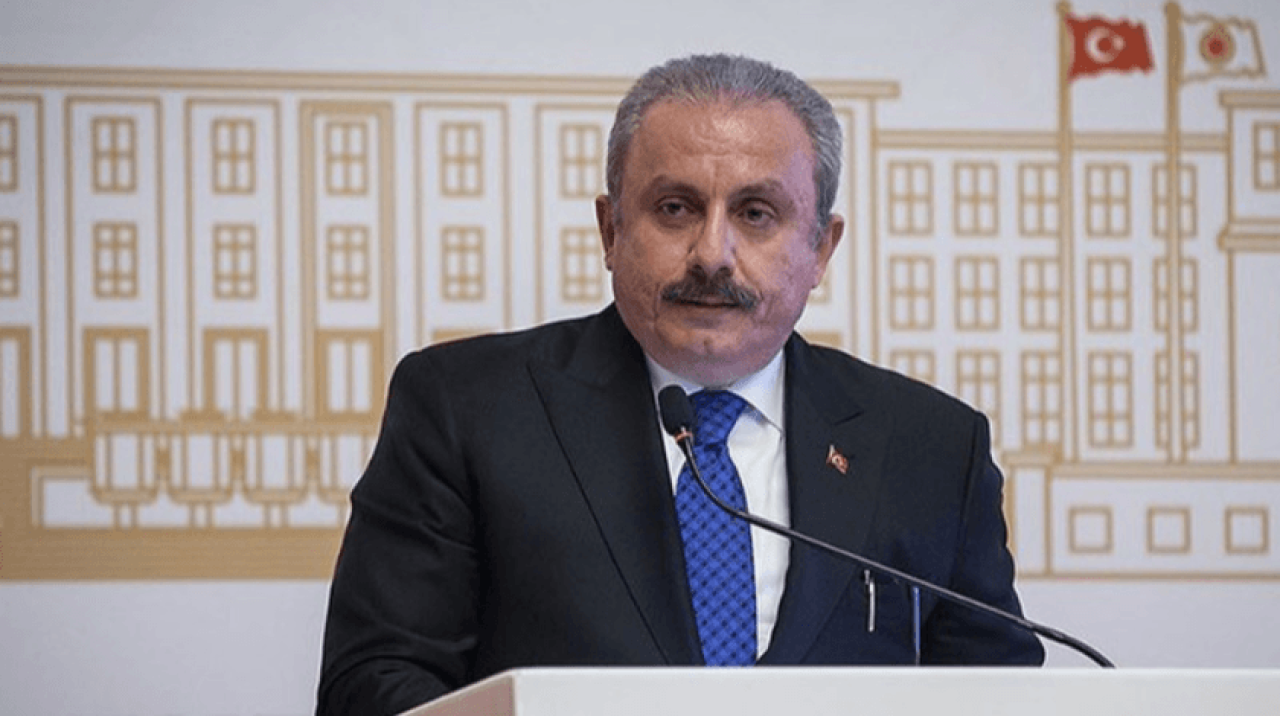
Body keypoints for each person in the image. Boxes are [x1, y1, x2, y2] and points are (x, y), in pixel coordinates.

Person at [317, 53, 1044, 715]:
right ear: (610, 230)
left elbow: (1001, 698)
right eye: (675, 209)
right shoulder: (466, 408)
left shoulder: (930, 448)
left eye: (756, 214)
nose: (712, 254)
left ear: (821, 248)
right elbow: (373, 686)